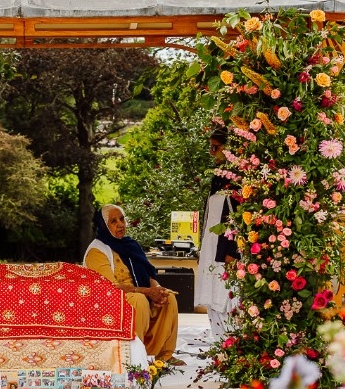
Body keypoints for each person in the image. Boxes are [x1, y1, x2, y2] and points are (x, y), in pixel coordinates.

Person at [83, 204, 182, 365]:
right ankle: (134, 358)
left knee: (168, 297)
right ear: (104, 226)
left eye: (121, 219)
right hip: (112, 301)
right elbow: (110, 288)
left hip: (139, 293)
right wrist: (147, 292)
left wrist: (156, 289)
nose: (120, 224)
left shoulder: (131, 245)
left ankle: (163, 356)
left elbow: (149, 274)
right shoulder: (97, 251)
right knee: (139, 300)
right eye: (113, 221)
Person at [194, 128, 239, 341]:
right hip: (213, 249)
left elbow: (237, 216)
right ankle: (221, 342)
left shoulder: (238, 177)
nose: (212, 152)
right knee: (214, 295)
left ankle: (232, 342)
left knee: (228, 296)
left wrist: (233, 250)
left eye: (216, 147)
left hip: (227, 251)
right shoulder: (219, 176)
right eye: (210, 147)